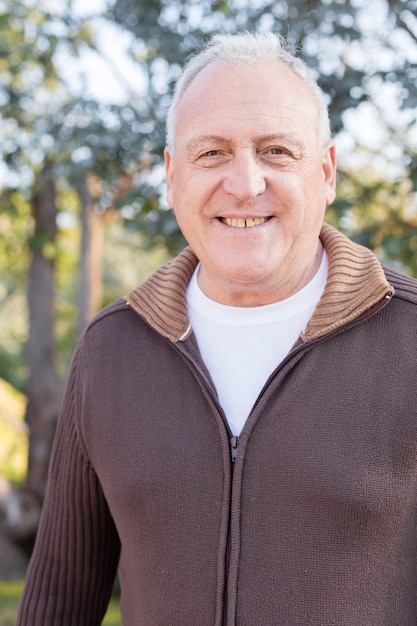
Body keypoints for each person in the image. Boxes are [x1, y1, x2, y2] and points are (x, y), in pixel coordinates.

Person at [17, 31, 417, 626]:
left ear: (327, 173)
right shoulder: (111, 350)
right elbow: (60, 598)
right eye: (212, 153)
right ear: (173, 176)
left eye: (277, 151)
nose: (246, 183)